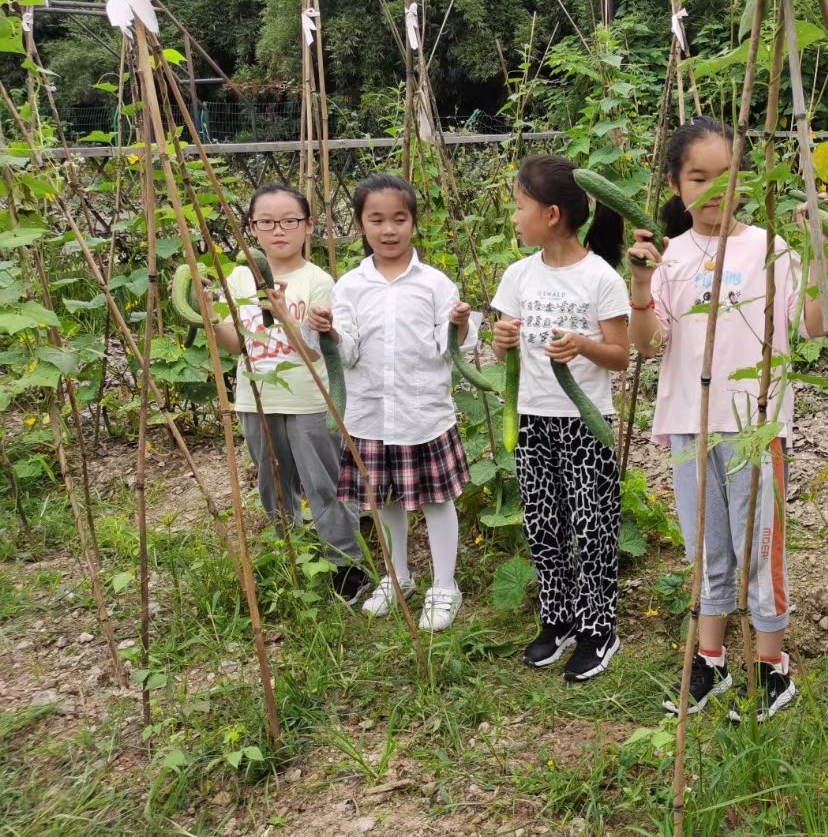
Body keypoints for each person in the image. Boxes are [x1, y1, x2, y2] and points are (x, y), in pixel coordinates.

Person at [629, 116, 817, 720]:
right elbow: (649, 343)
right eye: (697, 177)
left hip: (755, 427)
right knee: (707, 549)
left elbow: (812, 327)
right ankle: (709, 660)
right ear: (675, 183)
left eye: (727, 177)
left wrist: (817, 255)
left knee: (760, 548)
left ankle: (772, 668)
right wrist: (639, 283)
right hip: (690, 424)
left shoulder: (770, 249)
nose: (713, 192)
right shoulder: (669, 258)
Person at [306, 174, 475, 632]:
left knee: (438, 501)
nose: (388, 229)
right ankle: (398, 574)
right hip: (371, 414)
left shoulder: (436, 284)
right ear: (361, 225)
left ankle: (445, 585)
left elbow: (453, 349)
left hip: (423, 414)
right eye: (376, 219)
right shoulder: (350, 287)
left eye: (399, 219)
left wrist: (459, 323)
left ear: (413, 222)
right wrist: (327, 330)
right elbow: (349, 351)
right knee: (383, 501)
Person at [491, 154, 629, 682]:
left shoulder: (601, 278)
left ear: (550, 215)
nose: (513, 217)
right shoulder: (517, 275)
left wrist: (584, 346)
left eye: (518, 206)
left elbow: (620, 355)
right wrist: (501, 339)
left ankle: (599, 628)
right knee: (544, 523)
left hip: (585, 421)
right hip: (530, 416)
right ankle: (558, 619)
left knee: (592, 527)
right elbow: (508, 343)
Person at [213, 183, 365, 603]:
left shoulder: (318, 282)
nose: (278, 230)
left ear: (308, 226)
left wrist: (283, 315)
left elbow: (319, 351)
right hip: (256, 397)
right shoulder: (240, 276)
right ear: (252, 229)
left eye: (289, 221)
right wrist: (210, 319)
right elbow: (237, 344)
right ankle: (292, 554)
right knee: (273, 482)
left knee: (324, 483)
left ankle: (345, 563)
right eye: (266, 222)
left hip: (309, 400)